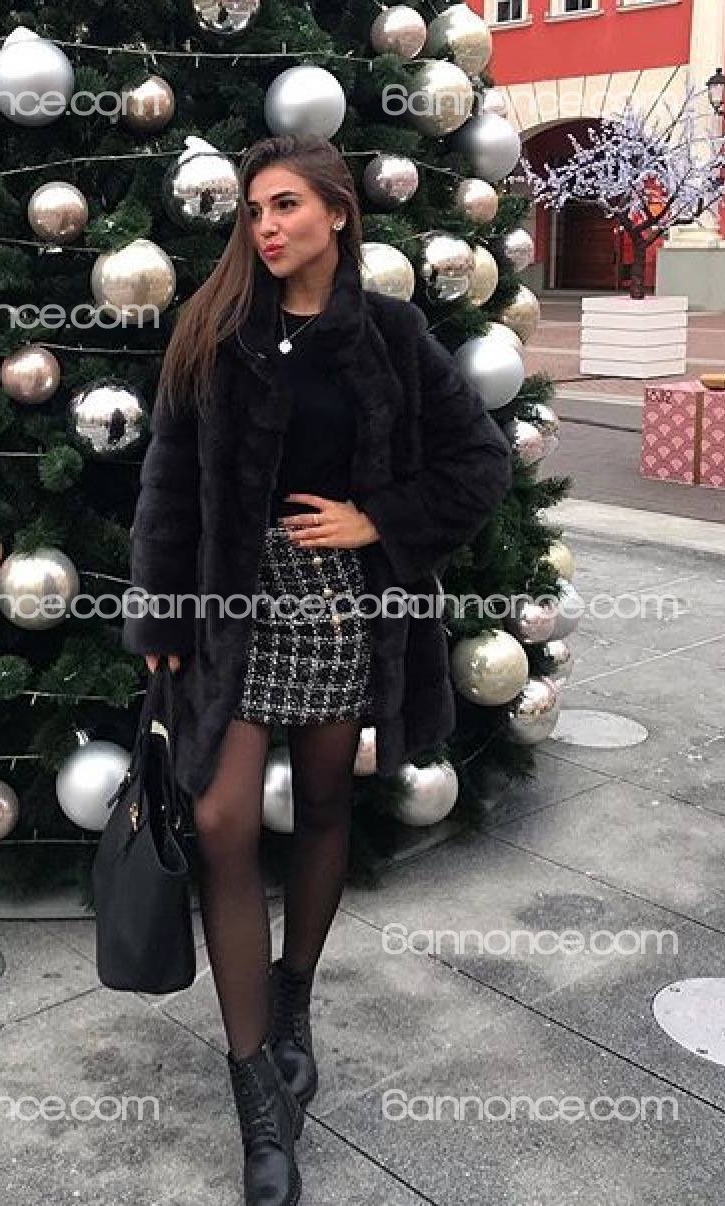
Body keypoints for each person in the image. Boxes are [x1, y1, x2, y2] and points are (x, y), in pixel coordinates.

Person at [122, 134, 513, 1206]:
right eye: (254, 210)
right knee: (221, 820)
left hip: (340, 605)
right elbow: (167, 478)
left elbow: (478, 460)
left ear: (337, 212)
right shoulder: (213, 331)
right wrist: (160, 606)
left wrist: (376, 519)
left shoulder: (390, 335)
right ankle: (257, 1095)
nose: (265, 226)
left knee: (328, 801)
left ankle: (293, 994)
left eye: (286, 205)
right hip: (231, 604)